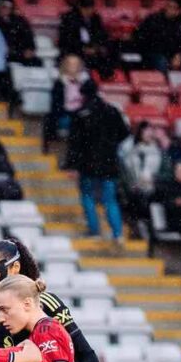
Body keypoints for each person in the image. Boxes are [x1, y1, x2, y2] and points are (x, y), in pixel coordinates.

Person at [64, 81, 128, 245]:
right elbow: (124, 133)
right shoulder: (112, 110)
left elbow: (75, 143)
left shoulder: (81, 114)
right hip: (109, 162)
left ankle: (95, 231)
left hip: (88, 163)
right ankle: (117, 233)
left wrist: (71, 165)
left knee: (88, 196)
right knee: (110, 199)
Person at [133, 0, 181, 73]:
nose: (168, 9)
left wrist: (180, 54)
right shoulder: (154, 19)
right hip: (156, 52)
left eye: (173, 7)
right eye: (168, 6)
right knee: (162, 62)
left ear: (179, 11)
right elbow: (142, 37)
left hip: (175, 54)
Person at [57, 0, 115, 78]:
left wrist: (97, 47)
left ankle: (106, 78)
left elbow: (101, 35)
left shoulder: (96, 18)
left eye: (91, 9)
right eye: (86, 9)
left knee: (108, 55)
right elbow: (66, 39)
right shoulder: (69, 18)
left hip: (93, 50)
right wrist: (83, 49)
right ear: (79, 7)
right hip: (75, 50)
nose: (89, 11)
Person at [43, 54, 89, 151]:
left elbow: (90, 99)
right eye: (70, 64)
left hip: (83, 113)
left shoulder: (86, 82)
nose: (73, 66)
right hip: (65, 113)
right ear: (65, 66)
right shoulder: (59, 83)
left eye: (76, 64)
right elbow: (56, 103)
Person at [119, 121, 162, 213]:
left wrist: (154, 180)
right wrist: (133, 183)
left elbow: (165, 172)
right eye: (146, 131)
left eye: (151, 131)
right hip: (135, 190)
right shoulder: (131, 152)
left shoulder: (159, 152)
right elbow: (125, 173)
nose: (149, 134)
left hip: (154, 190)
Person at [0, 0, 38, 66]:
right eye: (2, 6)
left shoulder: (19, 21)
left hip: (20, 54)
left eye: (7, 6)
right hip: (0, 55)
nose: (4, 9)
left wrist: (30, 48)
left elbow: (28, 38)